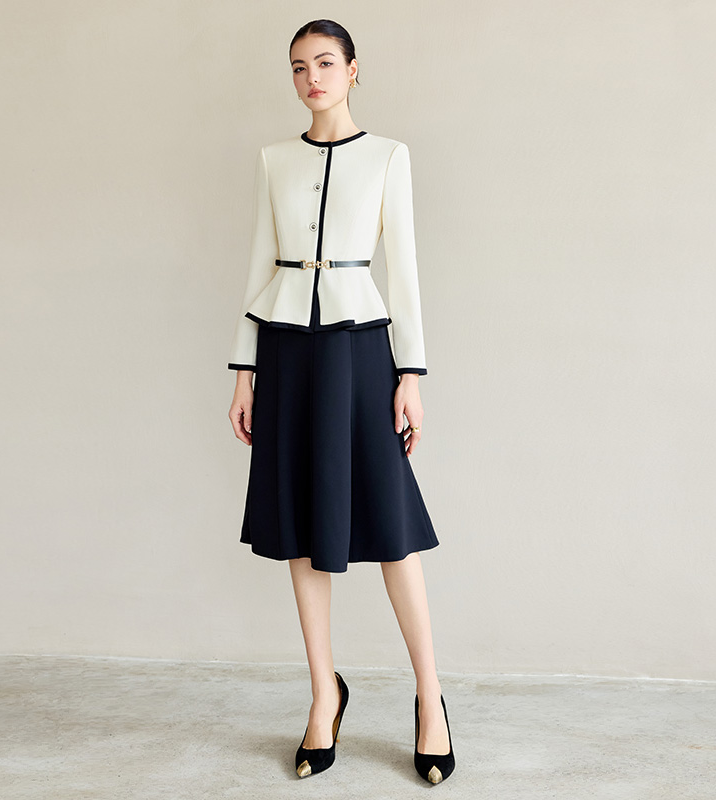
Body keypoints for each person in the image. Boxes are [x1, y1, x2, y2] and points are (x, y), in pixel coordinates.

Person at [226, 19, 455, 784]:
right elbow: (260, 265)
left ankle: (430, 697)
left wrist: (409, 376)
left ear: (354, 70)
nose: (312, 78)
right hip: (286, 349)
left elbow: (405, 271)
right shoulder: (274, 160)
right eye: (298, 67)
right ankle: (324, 693)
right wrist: (243, 371)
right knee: (300, 525)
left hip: (360, 352)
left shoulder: (389, 157)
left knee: (390, 527)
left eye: (325, 63)